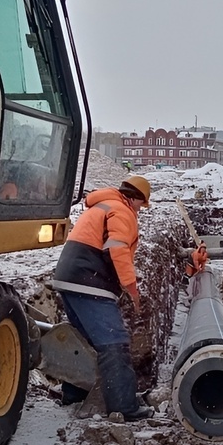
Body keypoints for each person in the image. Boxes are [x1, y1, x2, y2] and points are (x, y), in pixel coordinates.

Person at [52, 176, 154, 421]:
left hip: (69, 277)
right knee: (114, 342)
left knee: (83, 340)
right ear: (136, 198)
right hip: (89, 281)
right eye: (142, 204)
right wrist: (131, 288)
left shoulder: (102, 206)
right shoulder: (122, 211)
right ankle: (123, 407)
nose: (140, 209)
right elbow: (117, 249)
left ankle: (75, 392)